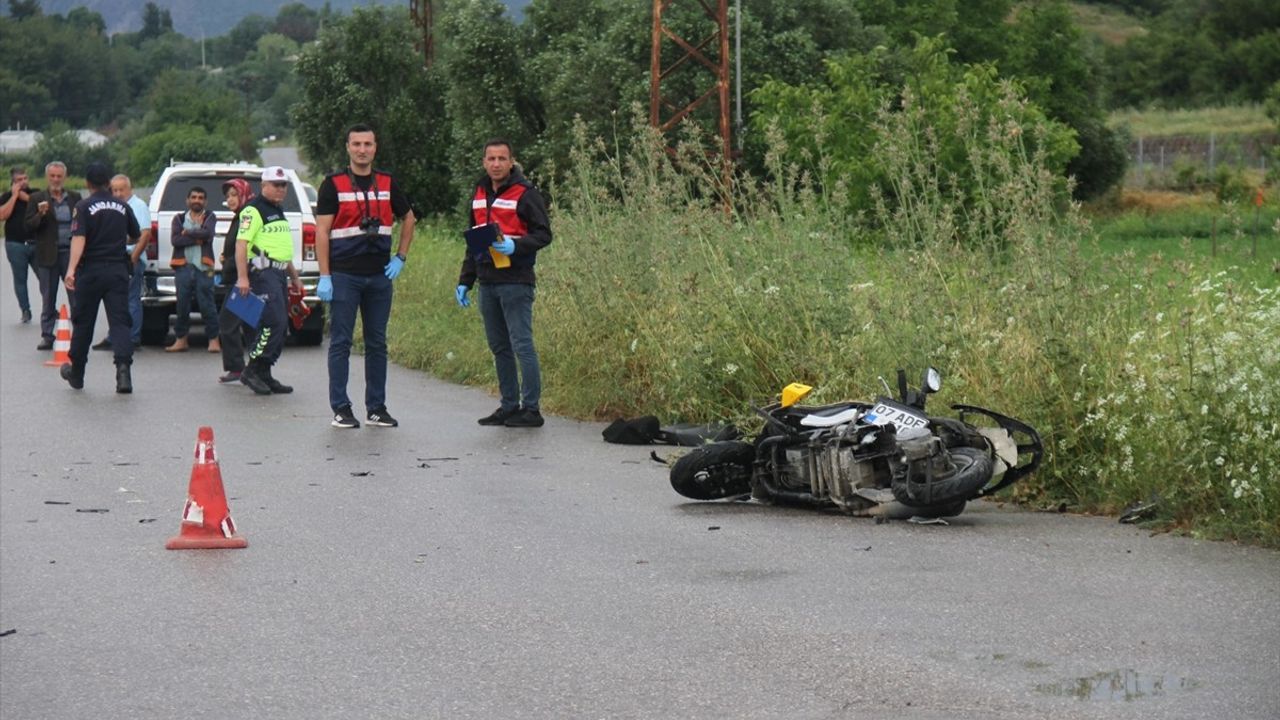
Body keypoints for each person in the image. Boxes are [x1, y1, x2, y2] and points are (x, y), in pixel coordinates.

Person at [314, 123, 417, 429]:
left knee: (377, 344)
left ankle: (376, 408)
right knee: (341, 343)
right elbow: (322, 231)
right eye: (356, 144)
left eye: (367, 144)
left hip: (379, 276)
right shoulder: (332, 184)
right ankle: (341, 408)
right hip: (344, 275)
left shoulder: (386, 182)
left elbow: (409, 218)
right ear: (348, 147)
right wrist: (325, 275)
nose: (362, 150)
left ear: (375, 147)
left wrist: (401, 257)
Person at [455, 138, 552, 428]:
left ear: (511, 162)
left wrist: (516, 245)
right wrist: (465, 280)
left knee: (522, 345)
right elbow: (474, 240)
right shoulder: (479, 192)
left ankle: (531, 410)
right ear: (484, 162)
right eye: (491, 159)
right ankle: (509, 406)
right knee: (499, 347)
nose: (496, 164)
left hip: (516, 281)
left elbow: (544, 234)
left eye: (502, 159)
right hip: (488, 281)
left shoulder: (526, 193)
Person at [60, 162, 140, 393]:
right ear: (108, 183)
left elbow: (79, 238)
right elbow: (135, 235)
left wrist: (71, 269)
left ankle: (77, 374)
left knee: (83, 322)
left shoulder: (83, 206)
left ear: (88, 183)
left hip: (91, 271)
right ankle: (123, 374)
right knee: (120, 322)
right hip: (117, 270)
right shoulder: (122, 206)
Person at [234, 166, 303, 396]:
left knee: (281, 327)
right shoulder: (253, 210)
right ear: (264, 185)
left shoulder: (278, 209)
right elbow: (241, 244)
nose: (281, 189)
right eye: (276, 185)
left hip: (279, 273)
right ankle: (252, 369)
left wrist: (294, 277)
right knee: (274, 323)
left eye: (283, 185)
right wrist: (243, 277)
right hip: (262, 273)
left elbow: (281, 249)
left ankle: (264, 372)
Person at [24, 161, 81, 350]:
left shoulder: (74, 197)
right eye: (52, 176)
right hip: (48, 255)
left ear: (65, 177)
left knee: (75, 296)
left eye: (59, 176)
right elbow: (28, 226)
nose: (56, 179)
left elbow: (82, 224)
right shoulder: (37, 198)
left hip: (70, 254)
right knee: (48, 297)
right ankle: (47, 335)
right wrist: (40, 215)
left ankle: (80, 333)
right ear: (47, 177)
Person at [92, 174, 151, 350]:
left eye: (121, 190)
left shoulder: (138, 206)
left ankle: (132, 337)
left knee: (131, 299)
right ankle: (115, 336)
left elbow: (145, 234)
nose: (118, 193)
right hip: (115, 259)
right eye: (115, 190)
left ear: (129, 189)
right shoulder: (114, 206)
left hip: (131, 258)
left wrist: (133, 258)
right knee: (116, 301)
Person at [165, 187, 220, 353]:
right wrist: (197, 238)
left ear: (205, 201)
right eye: (194, 197)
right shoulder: (179, 218)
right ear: (187, 200)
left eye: (201, 198)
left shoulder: (210, 216)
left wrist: (187, 232)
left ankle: (214, 340)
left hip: (204, 268)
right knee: (182, 305)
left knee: (207, 304)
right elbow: (176, 240)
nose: (197, 200)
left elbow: (208, 234)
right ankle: (181, 340)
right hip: (183, 267)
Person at [214, 178, 254, 384]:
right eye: (228, 196)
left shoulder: (246, 217)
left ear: (244, 194)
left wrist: (239, 273)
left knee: (227, 323)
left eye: (234, 195)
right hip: (236, 278)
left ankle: (239, 368)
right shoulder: (239, 216)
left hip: (242, 281)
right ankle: (254, 368)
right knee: (249, 325)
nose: (230, 199)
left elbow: (246, 247)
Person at [1, 167, 36, 324]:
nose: (23, 182)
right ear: (13, 182)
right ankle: (25, 309)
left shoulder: (36, 193)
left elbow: (42, 206)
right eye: (19, 180)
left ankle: (50, 308)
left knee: (45, 278)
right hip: (15, 244)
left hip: (36, 242)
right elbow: (3, 215)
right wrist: (14, 196)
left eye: (25, 178)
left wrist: (25, 197)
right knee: (20, 279)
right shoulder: (6, 196)